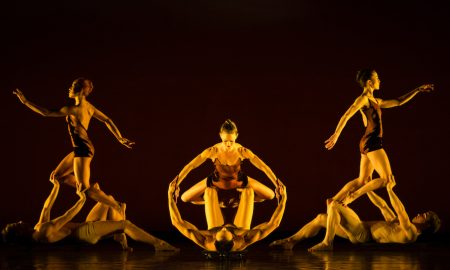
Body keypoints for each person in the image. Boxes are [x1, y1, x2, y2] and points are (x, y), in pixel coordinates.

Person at [13, 78, 134, 215]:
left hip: (83, 149)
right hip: (80, 149)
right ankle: (93, 189)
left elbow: (46, 112)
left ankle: (117, 205)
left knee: (83, 189)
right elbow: (107, 120)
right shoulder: (89, 107)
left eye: (73, 86)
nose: (69, 89)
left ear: (81, 90)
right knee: (57, 177)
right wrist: (119, 137)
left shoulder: (73, 110)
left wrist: (26, 102)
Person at [324, 69, 433, 204]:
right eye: (377, 78)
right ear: (369, 82)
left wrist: (417, 90)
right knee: (387, 179)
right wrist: (336, 134)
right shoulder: (363, 99)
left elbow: (398, 101)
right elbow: (347, 115)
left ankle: (334, 200)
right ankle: (352, 197)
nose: (380, 80)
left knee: (362, 180)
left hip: (367, 142)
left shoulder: (375, 100)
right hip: (372, 142)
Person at [2, 178, 178, 251]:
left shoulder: (37, 228)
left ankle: (119, 233)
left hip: (85, 227)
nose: (18, 221)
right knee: (125, 224)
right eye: (16, 225)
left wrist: (55, 186)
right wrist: (81, 199)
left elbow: (46, 208)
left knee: (105, 197)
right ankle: (158, 243)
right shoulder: (43, 232)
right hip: (86, 233)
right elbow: (68, 215)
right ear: (19, 233)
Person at [269, 177, 440, 251]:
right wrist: (366, 188)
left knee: (334, 205)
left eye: (423, 215)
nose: (418, 213)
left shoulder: (409, 233)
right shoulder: (399, 225)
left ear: (426, 225)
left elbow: (401, 211)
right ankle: (291, 241)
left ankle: (327, 243)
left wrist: (390, 189)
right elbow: (383, 206)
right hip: (359, 230)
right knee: (322, 218)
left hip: (362, 234)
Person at [176, 119, 278, 225]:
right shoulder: (213, 151)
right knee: (184, 198)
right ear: (220, 136)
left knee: (270, 195)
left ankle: (241, 201)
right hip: (216, 180)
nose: (228, 144)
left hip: (238, 180)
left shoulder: (242, 151)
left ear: (236, 136)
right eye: (225, 141)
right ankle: (217, 203)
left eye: (231, 141)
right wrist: (176, 181)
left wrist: (277, 183)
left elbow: (263, 166)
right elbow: (191, 165)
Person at [168, 177, 287, 253]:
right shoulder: (243, 240)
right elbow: (274, 223)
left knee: (210, 191)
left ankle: (215, 180)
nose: (224, 226)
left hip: (213, 226)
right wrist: (284, 198)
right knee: (248, 191)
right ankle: (240, 182)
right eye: (227, 230)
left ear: (214, 239)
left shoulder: (206, 241)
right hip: (241, 227)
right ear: (234, 239)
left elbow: (176, 222)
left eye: (221, 230)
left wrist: (170, 195)